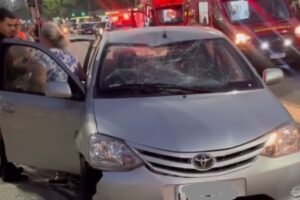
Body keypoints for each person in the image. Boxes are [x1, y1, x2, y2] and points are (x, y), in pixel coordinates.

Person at [0, 7, 28, 182]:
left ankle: (6, 166)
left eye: (16, 25)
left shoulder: (6, 42)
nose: (14, 28)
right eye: (10, 25)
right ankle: (7, 170)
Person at [30, 22, 85, 93]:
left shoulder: (43, 55)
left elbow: (39, 84)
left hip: (56, 98)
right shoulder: (69, 53)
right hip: (76, 95)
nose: (39, 41)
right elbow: (82, 77)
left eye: (40, 38)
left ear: (47, 39)